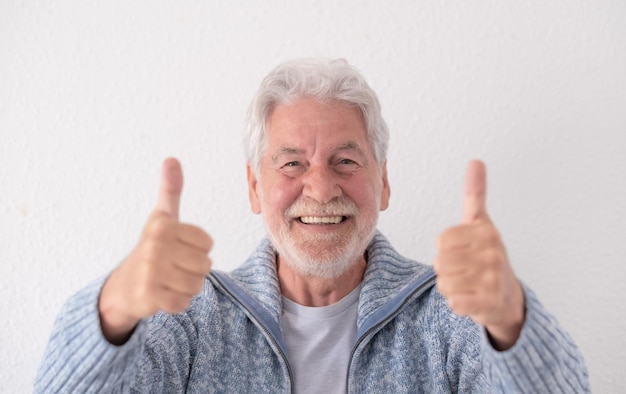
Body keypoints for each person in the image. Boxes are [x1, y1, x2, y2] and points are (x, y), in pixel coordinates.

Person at [35, 58, 590, 393]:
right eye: (292, 162)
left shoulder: (452, 316)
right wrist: (113, 311)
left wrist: (513, 322)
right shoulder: (192, 319)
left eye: (346, 161)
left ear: (384, 183)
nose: (321, 189)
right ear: (255, 187)